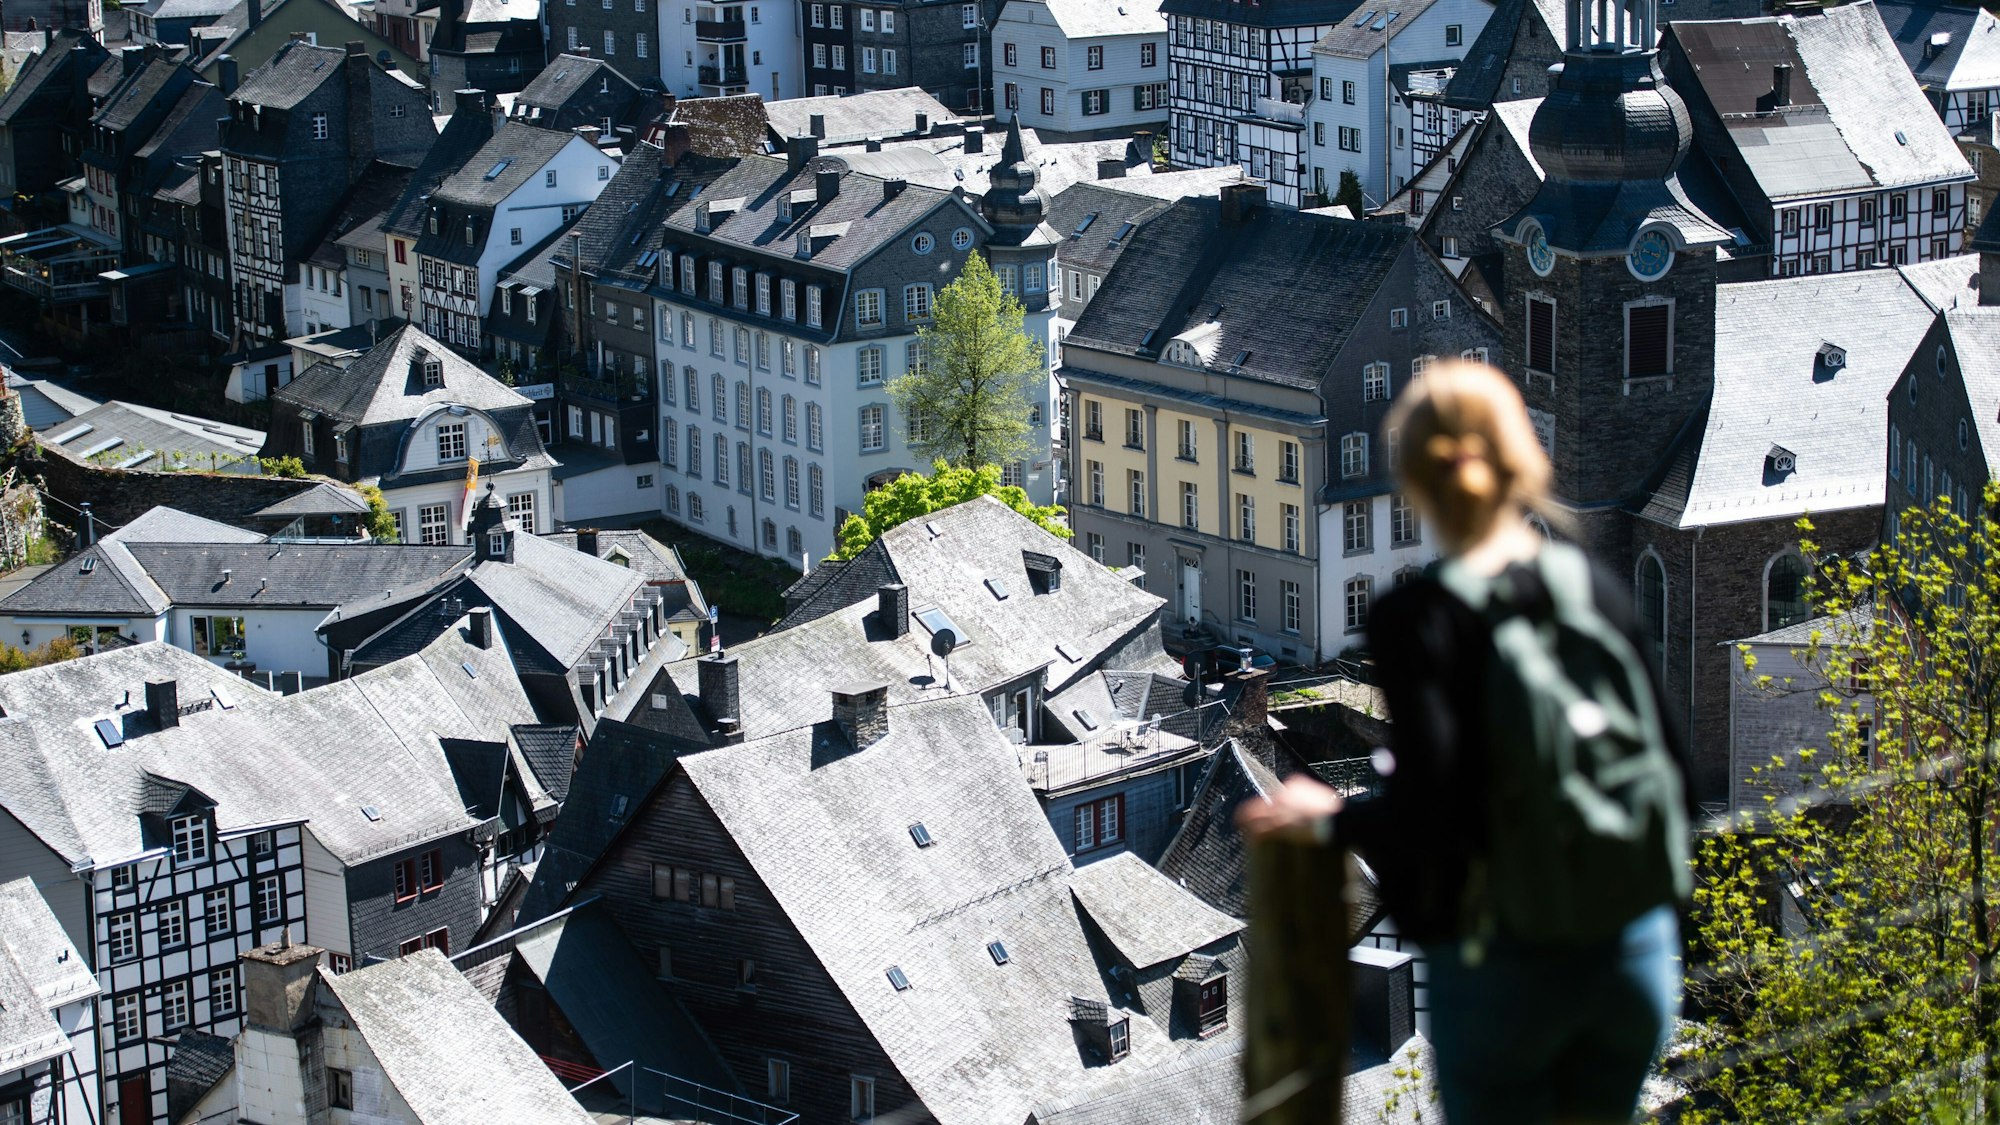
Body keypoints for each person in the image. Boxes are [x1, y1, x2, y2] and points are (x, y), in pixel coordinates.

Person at [1238, 361, 1689, 1125]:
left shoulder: (1420, 616)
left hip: (1508, 970)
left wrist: (1333, 820)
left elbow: (1440, 806)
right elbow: (1669, 773)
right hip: (1630, 957)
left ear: (1413, 481)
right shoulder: (1590, 586)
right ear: (1522, 459)